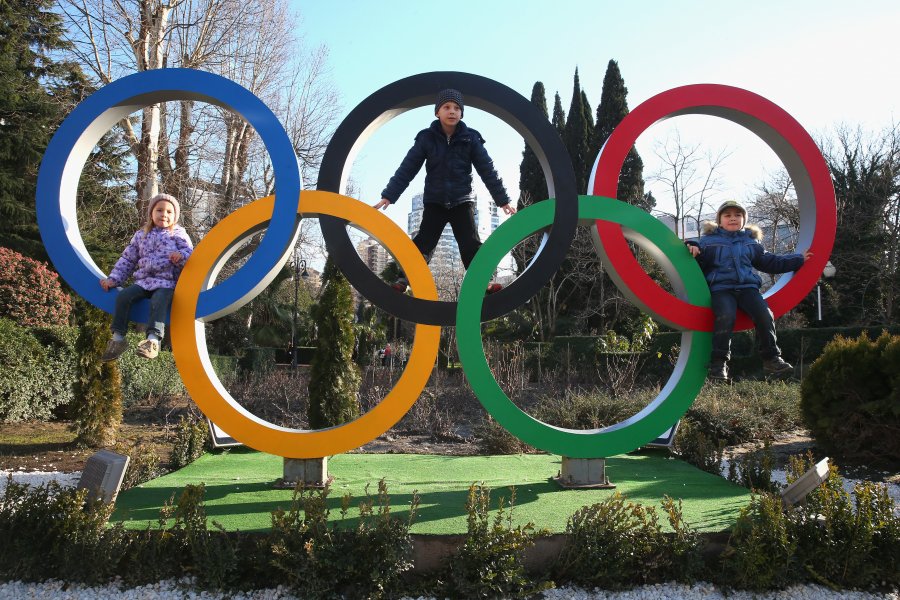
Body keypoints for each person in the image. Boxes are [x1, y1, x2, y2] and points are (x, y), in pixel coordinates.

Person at [374, 88, 516, 293]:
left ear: (462, 113)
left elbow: (488, 170)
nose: (452, 111)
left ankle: (485, 281)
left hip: (462, 201)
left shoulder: (470, 138)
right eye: (447, 107)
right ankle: (404, 279)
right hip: (435, 202)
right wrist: (389, 195)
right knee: (423, 243)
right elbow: (408, 168)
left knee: (471, 244)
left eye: (457, 108)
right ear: (437, 112)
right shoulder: (426, 138)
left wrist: (502, 200)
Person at [686, 200, 811, 382]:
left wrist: (799, 259)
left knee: (764, 314)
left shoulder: (751, 242)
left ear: (744, 220)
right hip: (722, 289)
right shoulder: (708, 242)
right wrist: (691, 246)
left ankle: (771, 358)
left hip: (747, 288)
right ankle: (718, 365)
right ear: (719, 221)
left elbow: (771, 262)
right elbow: (697, 260)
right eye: (727, 215)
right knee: (726, 316)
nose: (733, 218)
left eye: (738, 215)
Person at [99, 193, 193, 361]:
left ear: (175, 216)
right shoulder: (141, 234)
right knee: (124, 296)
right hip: (143, 282)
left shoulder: (178, 234)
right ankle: (118, 339)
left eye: (169, 212)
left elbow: (190, 253)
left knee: (159, 300)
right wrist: (114, 279)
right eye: (159, 210)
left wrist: (180, 256)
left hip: (166, 283)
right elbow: (127, 259)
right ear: (151, 213)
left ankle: (152, 340)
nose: (164, 214)